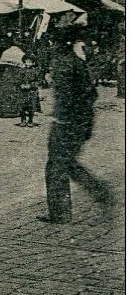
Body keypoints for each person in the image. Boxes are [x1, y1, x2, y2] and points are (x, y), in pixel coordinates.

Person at [41, 31, 112, 224]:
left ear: (59, 45)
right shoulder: (74, 63)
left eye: (54, 43)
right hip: (74, 122)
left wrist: (66, 119)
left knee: (57, 166)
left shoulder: (66, 64)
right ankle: (99, 193)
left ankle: (62, 213)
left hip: (67, 123)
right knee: (65, 164)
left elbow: (76, 96)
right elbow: (90, 94)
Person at [0, 38, 27, 118]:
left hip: (6, 74)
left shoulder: (6, 52)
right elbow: (23, 66)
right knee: (15, 91)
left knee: (4, 91)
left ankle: (3, 110)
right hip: (16, 74)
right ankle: (14, 110)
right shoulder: (21, 53)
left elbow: (1, 66)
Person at [16, 52, 42, 129]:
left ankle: (30, 120)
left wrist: (31, 85)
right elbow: (18, 80)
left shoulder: (36, 71)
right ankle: (23, 120)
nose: (28, 63)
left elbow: (39, 81)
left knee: (31, 106)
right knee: (22, 106)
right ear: (24, 62)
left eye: (30, 62)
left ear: (33, 63)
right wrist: (21, 85)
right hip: (23, 91)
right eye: (27, 61)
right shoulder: (21, 70)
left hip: (32, 91)